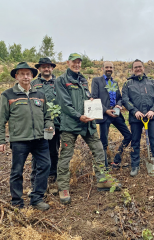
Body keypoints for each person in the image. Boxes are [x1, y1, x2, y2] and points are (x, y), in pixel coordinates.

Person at [55, 53, 121, 204]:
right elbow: (65, 104)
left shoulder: (83, 79)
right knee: (66, 156)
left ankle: (103, 180)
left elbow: (85, 97)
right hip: (70, 124)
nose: (77, 65)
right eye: (74, 62)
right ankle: (63, 188)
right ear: (68, 62)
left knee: (99, 150)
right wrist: (79, 116)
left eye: (79, 63)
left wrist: (90, 100)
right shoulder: (61, 80)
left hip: (87, 123)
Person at [0, 62, 53, 211]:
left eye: (28, 74)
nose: (25, 76)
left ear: (32, 76)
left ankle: (37, 198)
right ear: (17, 76)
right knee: (17, 171)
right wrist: (0, 140)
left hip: (40, 139)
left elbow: (47, 115)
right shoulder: (8, 95)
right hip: (20, 140)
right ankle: (17, 202)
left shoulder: (40, 95)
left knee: (45, 165)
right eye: (22, 74)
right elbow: (1, 119)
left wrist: (49, 125)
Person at [122, 59, 154, 177]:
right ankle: (135, 165)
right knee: (135, 141)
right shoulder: (127, 84)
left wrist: (153, 110)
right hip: (136, 118)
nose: (138, 69)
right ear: (132, 70)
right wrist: (135, 111)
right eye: (135, 67)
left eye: (140, 66)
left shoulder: (152, 82)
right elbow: (125, 99)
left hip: (151, 117)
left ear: (143, 68)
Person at [91, 61, 132, 169]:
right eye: (107, 67)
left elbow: (119, 98)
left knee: (128, 136)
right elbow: (94, 97)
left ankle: (117, 160)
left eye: (111, 67)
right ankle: (104, 168)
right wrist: (106, 110)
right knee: (103, 142)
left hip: (116, 114)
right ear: (102, 68)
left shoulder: (114, 83)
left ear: (113, 69)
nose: (109, 69)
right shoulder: (96, 81)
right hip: (104, 115)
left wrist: (118, 105)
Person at [30, 58, 60, 188]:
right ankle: (36, 176)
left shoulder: (59, 83)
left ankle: (53, 173)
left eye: (48, 67)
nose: (46, 69)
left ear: (52, 68)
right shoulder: (34, 84)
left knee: (53, 150)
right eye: (43, 67)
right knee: (37, 151)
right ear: (39, 69)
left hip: (56, 123)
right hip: (38, 123)